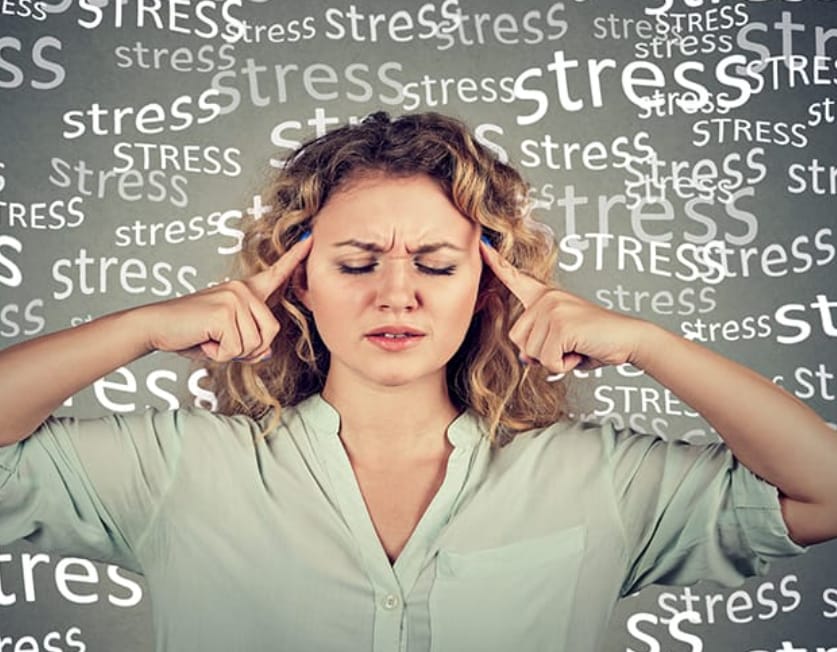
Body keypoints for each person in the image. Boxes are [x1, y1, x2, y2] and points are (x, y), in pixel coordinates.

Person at [0, 111, 834, 652]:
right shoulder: (178, 466)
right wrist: (143, 326)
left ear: (489, 286)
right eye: (356, 262)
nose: (394, 293)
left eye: (435, 264)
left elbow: (824, 492)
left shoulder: (599, 477)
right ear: (298, 282)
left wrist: (651, 343)